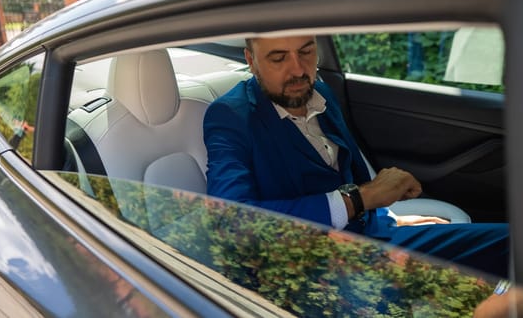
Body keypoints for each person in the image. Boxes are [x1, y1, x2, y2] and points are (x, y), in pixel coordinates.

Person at [203, 35, 509, 278]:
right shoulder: (231, 116)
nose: (298, 70)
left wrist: (389, 217)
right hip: (313, 263)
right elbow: (231, 222)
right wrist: (360, 200)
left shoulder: (322, 94)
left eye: (306, 51)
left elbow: (351, 176)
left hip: (373, 235)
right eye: (279, 57)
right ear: (251, 61)